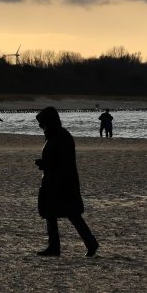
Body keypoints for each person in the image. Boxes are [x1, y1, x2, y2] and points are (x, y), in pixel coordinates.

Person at [33, 107, 99, 257]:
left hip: (62, 182)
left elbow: (63, 162)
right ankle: (55, 246)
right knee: (55, 214)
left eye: (42, 123)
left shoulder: (61, 137)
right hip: (55, 180)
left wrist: (45, 164)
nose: (41, 126)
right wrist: (45, 164)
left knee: (71, 214)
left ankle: (88, 244)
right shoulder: (56, 135)